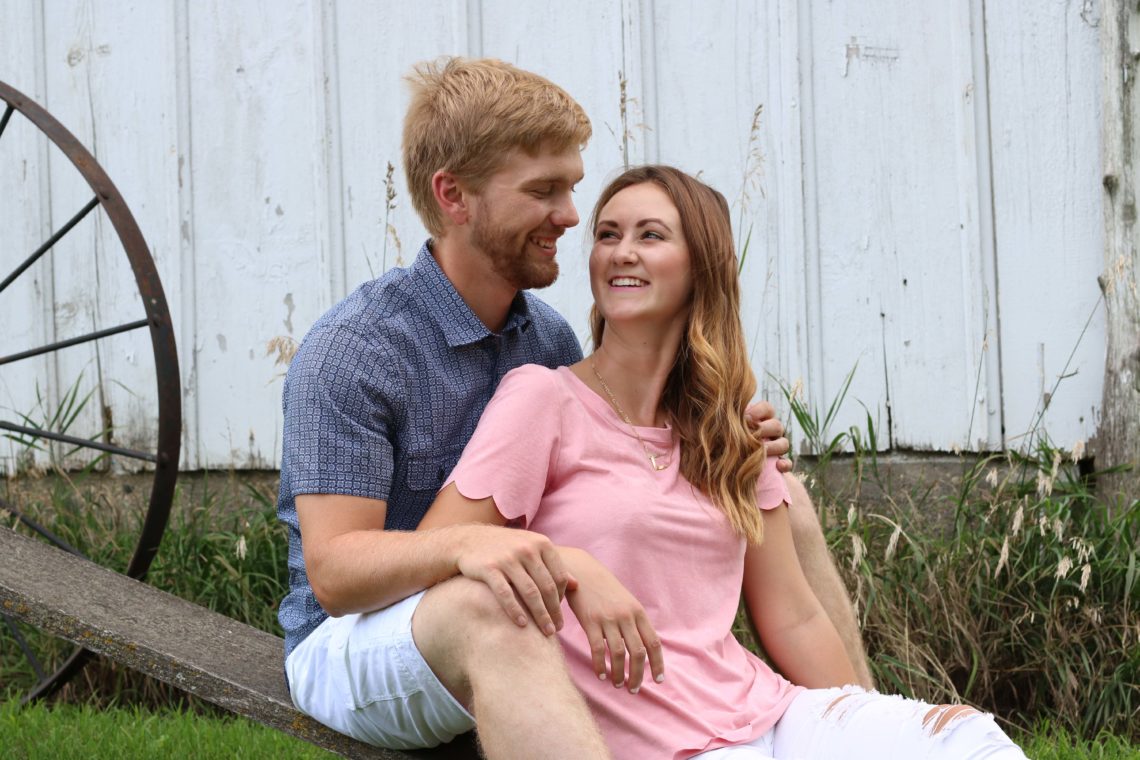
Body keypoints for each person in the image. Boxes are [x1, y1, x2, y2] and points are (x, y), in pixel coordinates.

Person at [276, 57, 864, 755]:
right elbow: (337, 575)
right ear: (454, 196)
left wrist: (727, 432)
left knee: (781, 501)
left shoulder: (545, 339)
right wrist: (494, 547)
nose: (572, 216)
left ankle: (864, 728)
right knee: (492, 604)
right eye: (543, 191)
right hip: (361, 637)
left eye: (571, 188)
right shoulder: (358, 348)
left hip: (492, 613)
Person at [418, 165, 1028, 759]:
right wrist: (569, 567)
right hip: (654, 740)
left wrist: (861, 723)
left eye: (649, 235)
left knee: (968, 739)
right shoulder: (543, 399)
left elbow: (791, 615)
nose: (620, 252)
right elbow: (441, 554)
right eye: (608, 234)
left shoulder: (728, 428)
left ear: (701, 265)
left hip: (768, 713)